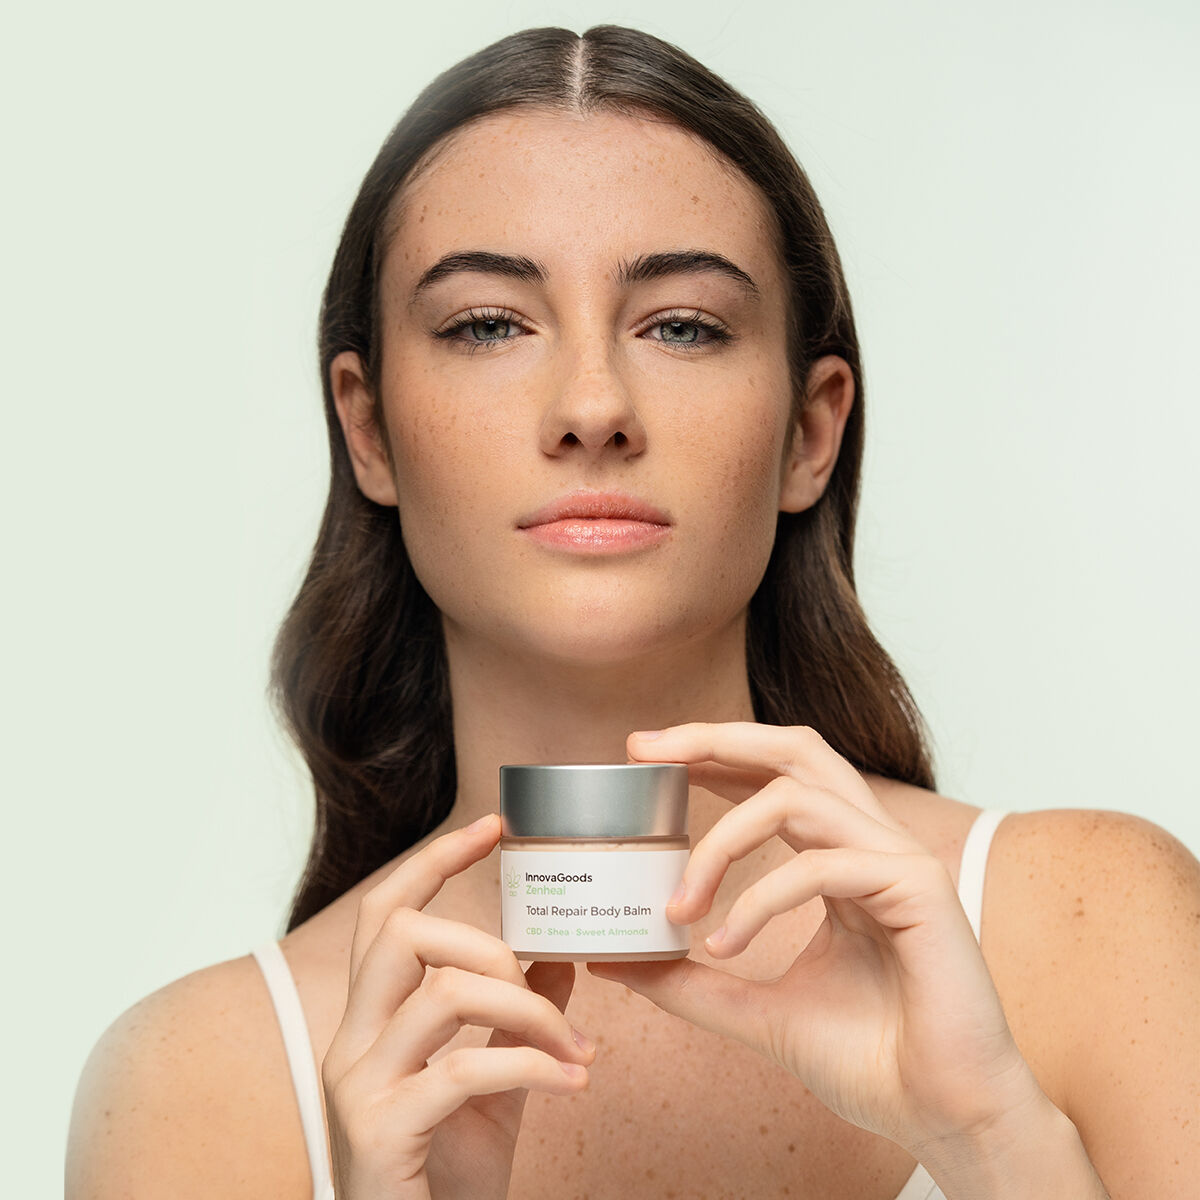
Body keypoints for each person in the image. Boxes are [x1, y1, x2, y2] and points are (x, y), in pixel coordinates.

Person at [66, 24, 1199, 1200]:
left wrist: (991, 1137)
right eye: (488, 324)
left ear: (810, 431)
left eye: (682, 326)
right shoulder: (196, 1085)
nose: (594, 406)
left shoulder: (1097, 926)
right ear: (368, 428)